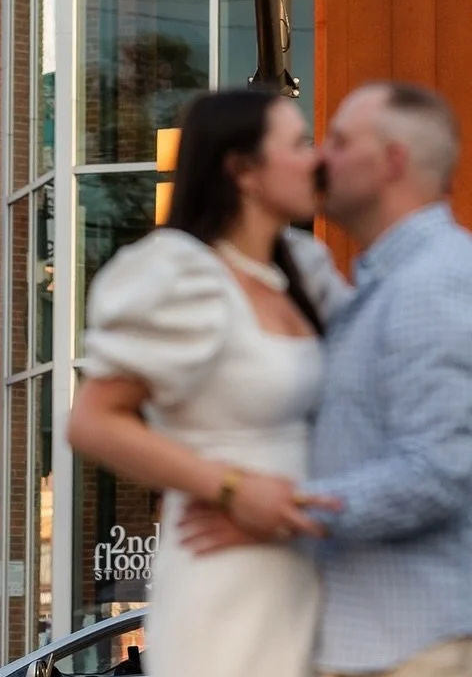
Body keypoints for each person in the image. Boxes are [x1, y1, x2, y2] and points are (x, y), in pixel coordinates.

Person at [183, 81, 472, 677]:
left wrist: (280, 511)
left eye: (340, 141)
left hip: (435, 645)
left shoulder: (437, 282)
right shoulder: (383, 288)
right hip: (404, 642)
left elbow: (433, 473)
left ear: (392, 162)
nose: (320, 157)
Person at [67, 88, 346, 677]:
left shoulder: (306, 269)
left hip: (312, 573)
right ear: (242, 170)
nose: (314, 159)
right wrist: (232, 489)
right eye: (297, 144)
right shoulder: (180, 272)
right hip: (224, 576)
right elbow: (92, 421)